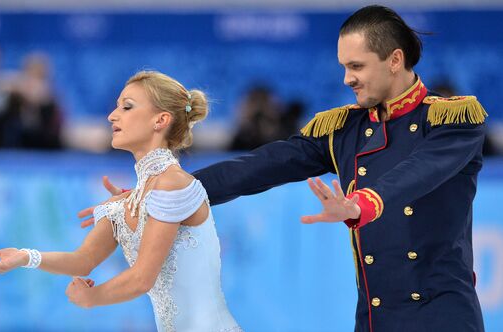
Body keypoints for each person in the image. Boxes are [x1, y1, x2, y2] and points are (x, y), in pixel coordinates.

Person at [83, 5, 487, 331]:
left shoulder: (453, 121)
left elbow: (421, 171)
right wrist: (165, 191)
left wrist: (361, 204)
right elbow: (261, 166)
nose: (347, 78)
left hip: (442, 316)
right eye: (344, 66)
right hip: (376, 318)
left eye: (357, 67)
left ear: (395, 60)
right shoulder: (345, 130)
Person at [0, 71, 242, 332]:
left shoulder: (173, 184)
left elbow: (141, 278)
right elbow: (82, 260)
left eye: (127, 107)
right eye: (117, 107)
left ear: (160, 121)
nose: (112, 116)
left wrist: (93, 298)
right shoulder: (127, 202)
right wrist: (26, 256)